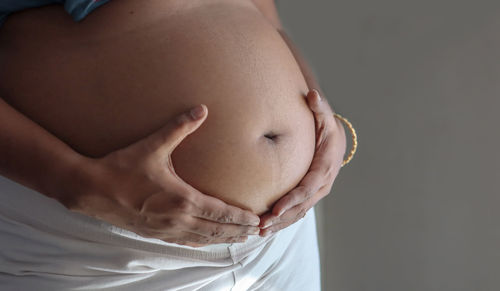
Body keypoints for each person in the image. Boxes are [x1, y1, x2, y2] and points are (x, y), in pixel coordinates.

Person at [0, 0, 347, 289]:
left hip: (282, 241)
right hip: (106, 247)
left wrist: (321, 115)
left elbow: (263, 14)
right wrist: (70, 181)